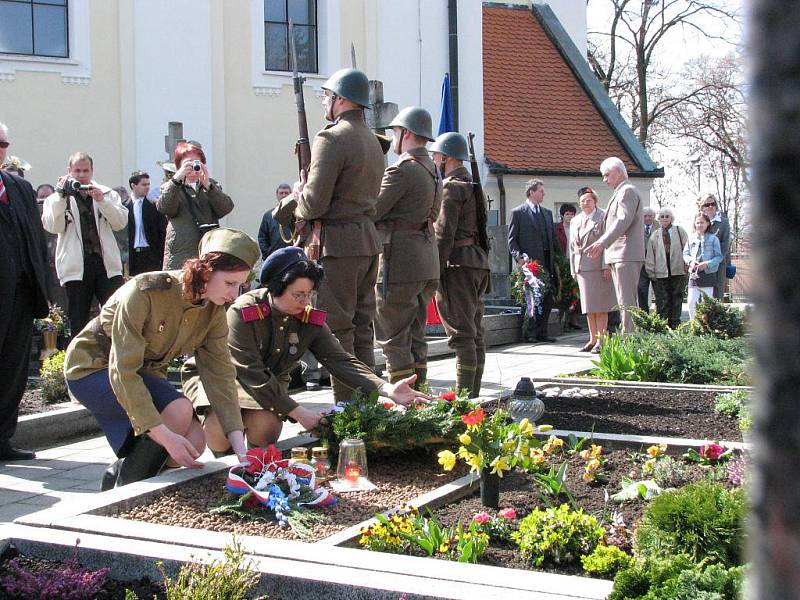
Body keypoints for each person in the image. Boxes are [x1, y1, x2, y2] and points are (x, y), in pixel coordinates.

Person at [64, 228, 260, 489]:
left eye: (240, 285)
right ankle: (126, 489)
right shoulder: (146, 291)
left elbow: (220, 375)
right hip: (92, 369)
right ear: (206, 270)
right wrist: (165, 438)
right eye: (230, 283)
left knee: (194, 441)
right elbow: (122, 370)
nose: (235, 295)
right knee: (178, 412)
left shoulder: (212, 310)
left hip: (138, 375)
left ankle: (124, 471)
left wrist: (240, 448)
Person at [183, 247, 430, 451]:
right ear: (277, 288)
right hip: (221, 379)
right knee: (220, 427)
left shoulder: (307, 319)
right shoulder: (244, 312)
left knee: (266, 425)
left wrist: (385, 388)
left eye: (310, 294)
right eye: (298, 294)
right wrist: (298, 412)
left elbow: (339, 360)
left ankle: (257, 467)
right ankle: (224, 466)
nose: (305, 301)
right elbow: (251, 372)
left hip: (266, 386)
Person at [289, 68, 386, 402]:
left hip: (338, 246)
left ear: (341, 99)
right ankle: (369, 406)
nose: (325, 103)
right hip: (366, 242)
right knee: (362, 328)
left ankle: (349, 411)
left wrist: (299, 199)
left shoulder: (331, 138)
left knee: (338, 330)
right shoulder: (373, 140)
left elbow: (314, 203)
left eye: (328, 96)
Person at [373, 107, 440, 387]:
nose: (393, 138)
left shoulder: (402, 170)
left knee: (393, 334)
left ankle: (406, 401)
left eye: (396, 132)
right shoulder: (433, 168)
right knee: (414, 332)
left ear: (407, 133)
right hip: (425, 259)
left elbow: (374, 210)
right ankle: (420, 393)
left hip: (400, 261)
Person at [0, 122, 50, 460]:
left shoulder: (18, 187)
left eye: (2, 143)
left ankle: (3, 440)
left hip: (19, 294)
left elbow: (35, 241)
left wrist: (41, 287)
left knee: (13, 368)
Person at [42, 152, 128, 339]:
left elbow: (120, 222)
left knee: (114, 315)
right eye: (77, 171)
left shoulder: (106, 193)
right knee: (78, 318)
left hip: (106, 265)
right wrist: (61, 196)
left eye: (85, 170)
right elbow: (52, 226)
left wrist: (102, 201)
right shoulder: (56, 197)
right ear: (69, 171)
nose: (81, 175)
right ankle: (78, 363)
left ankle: (113, 358)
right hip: (76, 266)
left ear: (92, 171)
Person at [431, 132, 490, 396]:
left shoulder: (452, 186)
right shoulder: (472, 183)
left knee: (462, 333)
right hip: (476, 263)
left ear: (448, 158)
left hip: (458, 264)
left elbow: (444, 232)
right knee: (474, 331)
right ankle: (473, 393)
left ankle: (465, 397)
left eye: (437, 155)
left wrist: (435, 266)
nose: (434, 159)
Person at [585, 157, 645, 334]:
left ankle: (630, 339)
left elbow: (622, 220)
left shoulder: (627, 191)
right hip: (619, 254)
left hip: (625, 253)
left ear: (619, 172)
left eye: (607, 175)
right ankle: (628, 336)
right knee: (622, 300)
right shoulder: (620, 192)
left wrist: (602, 242)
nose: (604, 179)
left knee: (627, 301)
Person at [157, 141, 234, 269]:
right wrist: (176, 180)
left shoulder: (211, 186)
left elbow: (225, 209)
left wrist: (208, 186)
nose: (193, 168)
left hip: (208, 253)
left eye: (196, 163)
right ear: (179, 166)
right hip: (181, 256)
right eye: (188, 164)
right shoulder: (170, 187)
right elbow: (165, 208)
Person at [508, 178, 558, 342]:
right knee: (531, 298)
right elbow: (512, 240)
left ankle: (542, 332)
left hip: (547, 262)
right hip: (530, 264)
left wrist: (559, 259)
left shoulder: (547, 213)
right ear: (532, 192)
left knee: (547, 298)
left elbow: (552, 239)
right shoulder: (518, 213)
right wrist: (519, 257)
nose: (544, 194)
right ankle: (530, 333)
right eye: (541, 191)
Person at [569, 189, 615, 353]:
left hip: (597, 266)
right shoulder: (575, 220)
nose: (585, 203)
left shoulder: (603, 217)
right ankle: (592, 338)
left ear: (595, 201)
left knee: (601, 305)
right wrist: (573, 268)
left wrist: (606, 265)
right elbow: (572, 247)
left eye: (588, 200)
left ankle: (602, 340)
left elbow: (608, 243)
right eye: (582, 201)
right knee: (588, 306)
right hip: (582, 267)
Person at [645, 208, 689, 328]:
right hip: (660, 273)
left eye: (667, 216)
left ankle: (675, 325)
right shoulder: (655, 235)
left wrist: (686, 266)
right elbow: (650, 255)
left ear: (671, 218)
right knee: (662, 302)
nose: (664, 218)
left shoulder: (680, 231)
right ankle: (663, 326)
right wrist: (651, 272)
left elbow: (688, 249)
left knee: (677, 299)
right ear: (658, 219)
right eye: (662, 216)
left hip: (678, 272)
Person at [683, 212, 723, 319]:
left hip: (708, 274)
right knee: (691, 302)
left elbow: (719, 257)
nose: (699, 225)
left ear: (708, 224)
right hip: (694, 274)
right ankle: (694, 326)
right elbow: (685, 254)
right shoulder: (691, 239)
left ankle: (707, 327)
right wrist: (691, 262)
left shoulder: (714, 239)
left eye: (702, 222)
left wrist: (707, 264)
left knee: (707, 304)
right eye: (697, 223)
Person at [126, 171, 167, 276]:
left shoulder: (154, 206)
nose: (147, 187)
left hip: (150, 255)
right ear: (133, 185)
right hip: (132, 256)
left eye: (148, 184)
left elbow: (162, 233)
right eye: (144, 184)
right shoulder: (125, 207)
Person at [698, 193, 731, 301]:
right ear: (702, 208)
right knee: (701, 297)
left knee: (717, 297)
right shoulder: (698, 222)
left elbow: (725, 245)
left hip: (718, 266)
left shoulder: (723, 222)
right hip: (701, 266)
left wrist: (711, 262)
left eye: (713, 204)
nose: (710, 207)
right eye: (707, 205)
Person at [258, 183, 293, 260]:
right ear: (277, 195)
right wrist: (268, 253)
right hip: (274, 257)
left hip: (293, 256)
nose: (284, 195)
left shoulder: (296, 214)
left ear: (291, 195)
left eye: (286, 193)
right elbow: (262, 237)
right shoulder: (268, 215)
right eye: (281, 193)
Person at [638, 207, 657, 311]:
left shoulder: (659, 227)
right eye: (645, 216)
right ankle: (644, 314)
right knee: (641, 289)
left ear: (654, 217)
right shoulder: (637, 227)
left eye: (650, 216)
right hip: (641, 262)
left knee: (659, 290)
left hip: (656, 262)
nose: (648, 218)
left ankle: (659, 318)